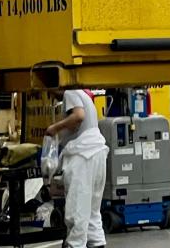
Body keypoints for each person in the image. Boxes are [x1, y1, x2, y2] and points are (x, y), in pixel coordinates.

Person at [46, 90, 108, 248]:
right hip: (97, 152)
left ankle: (75, 245)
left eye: (50, 91)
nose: (51, 95)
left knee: (77, 212)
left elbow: (79, 116)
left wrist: (54, 128)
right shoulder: (84, 95)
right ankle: (96, 243)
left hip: (83, 155)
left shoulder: (70, 92)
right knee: (93, 213)